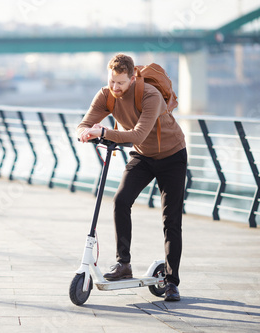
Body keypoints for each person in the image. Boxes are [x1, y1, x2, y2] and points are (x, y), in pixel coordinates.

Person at [77, 53, 187, 302]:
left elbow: (137, 135)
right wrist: (85, 132)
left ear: (132, 78)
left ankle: (171, 282)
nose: (115, 88)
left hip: (172, 156)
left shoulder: (150, 95)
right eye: (111, 82)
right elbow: (84, 123)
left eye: (120, 83)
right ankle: (123, 264)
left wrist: (103, 131)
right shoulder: (105, 95)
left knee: (171, 220)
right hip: (143, 158)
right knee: (121, 201)